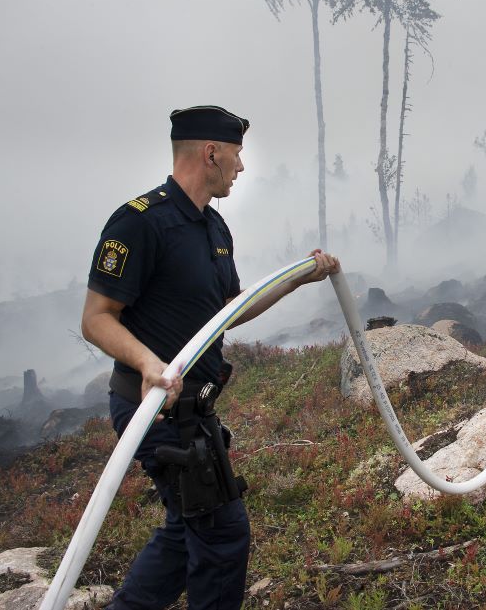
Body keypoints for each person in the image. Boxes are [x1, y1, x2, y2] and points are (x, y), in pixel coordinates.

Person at [82, 105, 339, 610]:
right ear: (211, 153)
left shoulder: (214, 231)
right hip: (152, 409)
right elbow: (96, 318)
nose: (241, 167)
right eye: (237, 155)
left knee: (186, 533)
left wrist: (298, 278)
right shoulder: (140, 223)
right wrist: (149, 364)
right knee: (223, 535)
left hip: (192, 413)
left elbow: (226, 312)